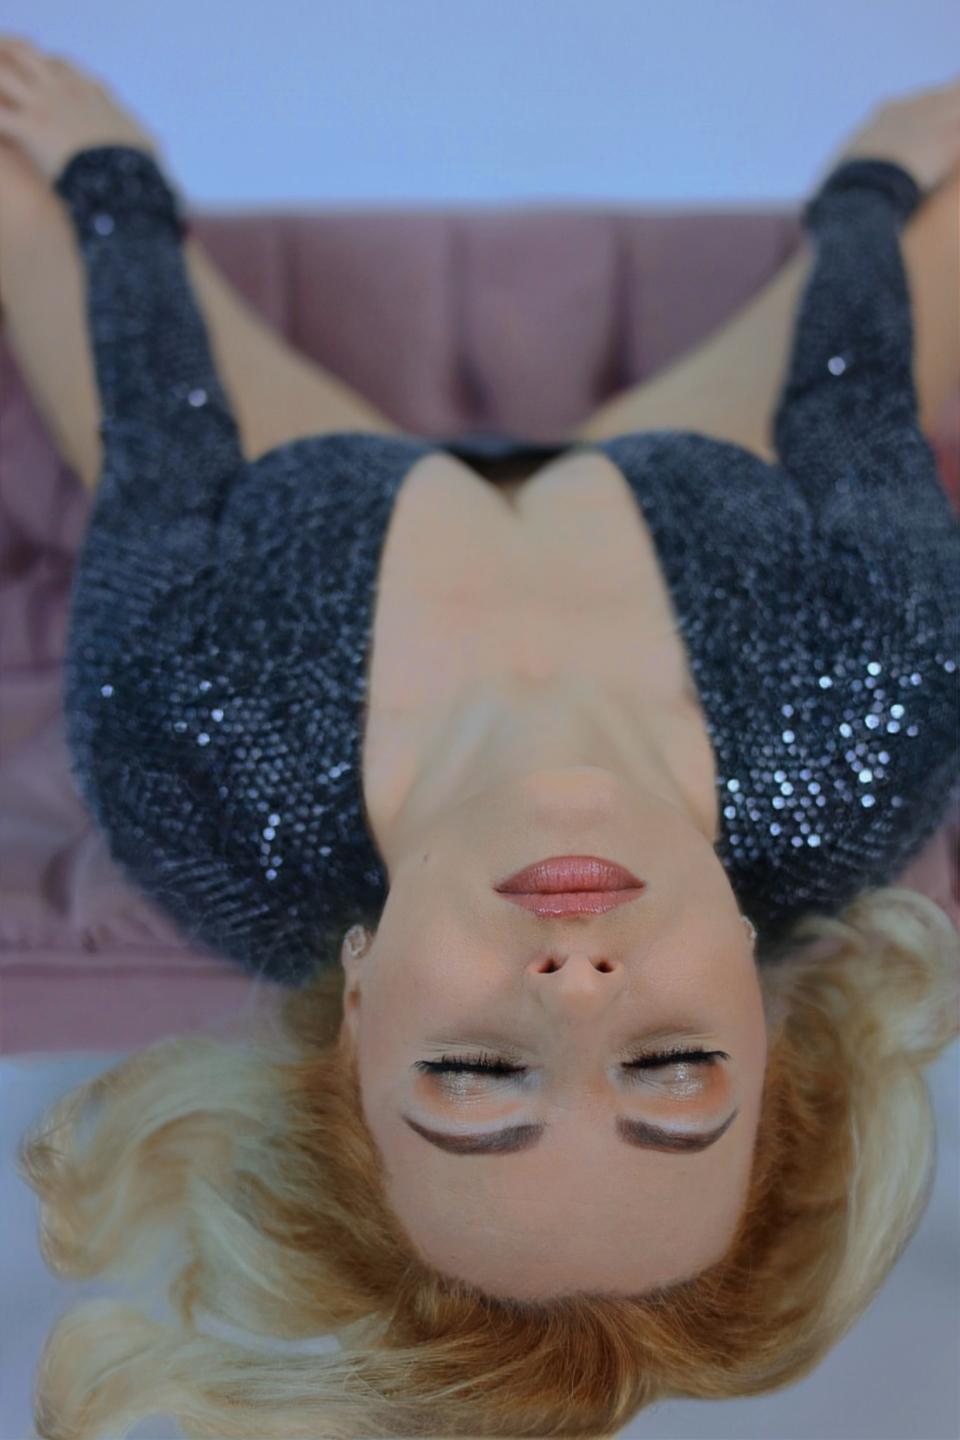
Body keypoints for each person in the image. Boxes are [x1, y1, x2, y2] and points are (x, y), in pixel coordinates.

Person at [2, 36, 959, 1438]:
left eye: (478, 1072)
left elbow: (165, 437)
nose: (576, 991)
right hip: (674, 504)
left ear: (358, 1018)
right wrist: (869, 182)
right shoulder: (860, 727)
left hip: (331, 520)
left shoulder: (199, 757)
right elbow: (852, 406)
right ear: (768, 1025)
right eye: (670, 1065)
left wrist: (111, 174)